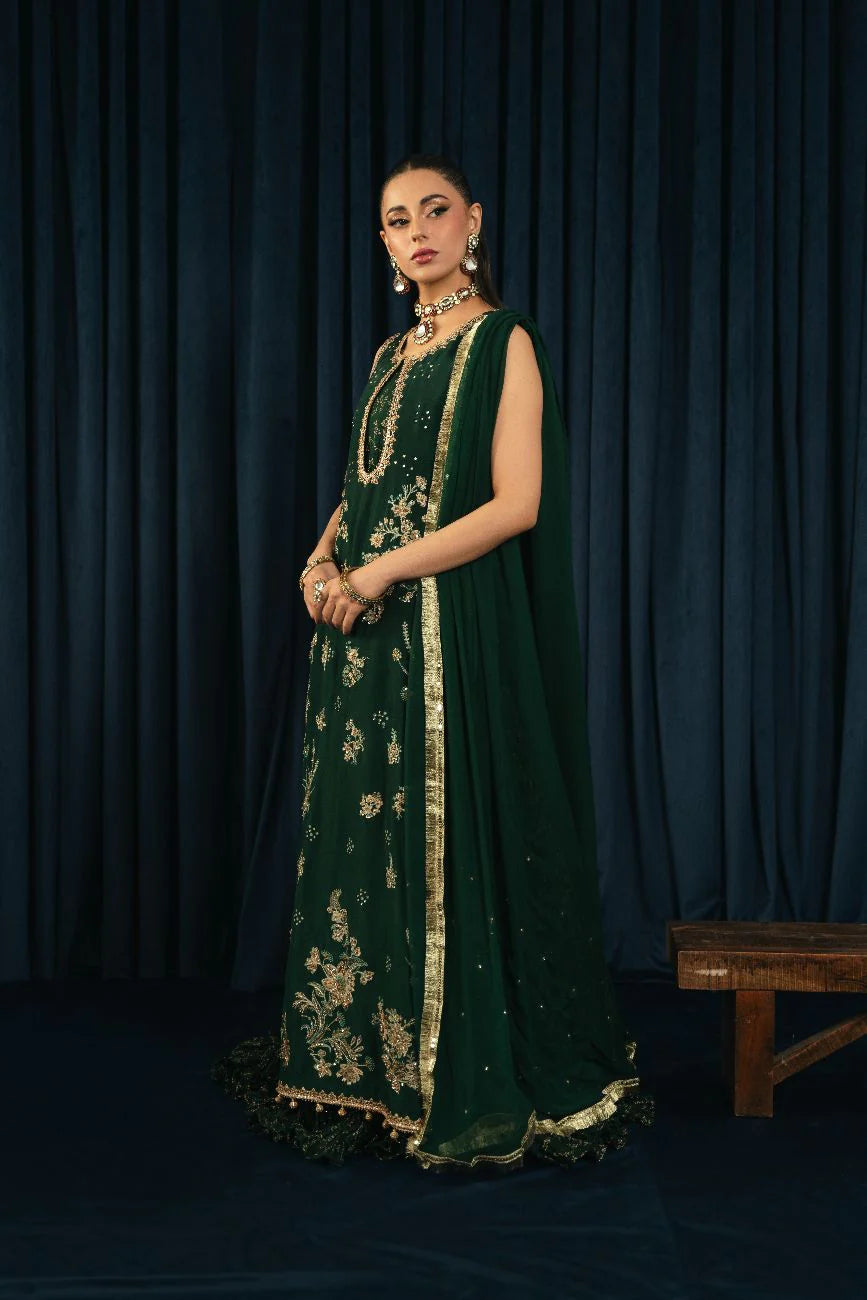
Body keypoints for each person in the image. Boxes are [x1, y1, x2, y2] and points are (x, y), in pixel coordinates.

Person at [212, 152, 655, 1172]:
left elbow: (516, 504)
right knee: (367, 841)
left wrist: (376, 574)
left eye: (435, 211)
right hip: (364, 644)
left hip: (453, 637)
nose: (417, 231)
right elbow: (365, 487)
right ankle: (370, 1063)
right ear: (383, 241)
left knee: (449, 839)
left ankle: (453, 1070)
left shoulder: (504, 341)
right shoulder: (390, 354)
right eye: (396, 219)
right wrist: (321, 560)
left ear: (473, 222)